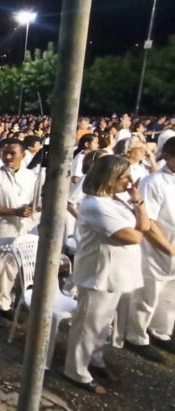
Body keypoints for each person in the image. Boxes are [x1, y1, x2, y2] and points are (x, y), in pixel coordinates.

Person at [64, 156, 149, 395]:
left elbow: (144, 226)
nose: (130, 181)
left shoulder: (117, 201)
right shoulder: (94, 205)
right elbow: (134, 236)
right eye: (124, 177)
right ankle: (76, 370)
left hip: (117, 273)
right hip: (98, 274)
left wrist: (137, 201)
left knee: (102, 325)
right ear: (109, 178)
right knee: (87, 326)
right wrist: (139, 227)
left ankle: (95, 359)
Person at [125, 137, 175, 361]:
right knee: (148, 294)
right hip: (155, 249)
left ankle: (161, 332)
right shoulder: (153, 182)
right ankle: (136, 336)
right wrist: (169, 249)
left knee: (170, 295)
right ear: (170, 157)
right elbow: (149, 222)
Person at [0, 139, 36, 326]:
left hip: (21, 231)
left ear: (23, 155)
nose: (8, 157)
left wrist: (33, 207)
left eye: (13, 153)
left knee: (11, 271)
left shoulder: (30, 176)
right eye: (5, 153)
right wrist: (14, 211)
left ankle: (4, 303)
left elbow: (34, 200)